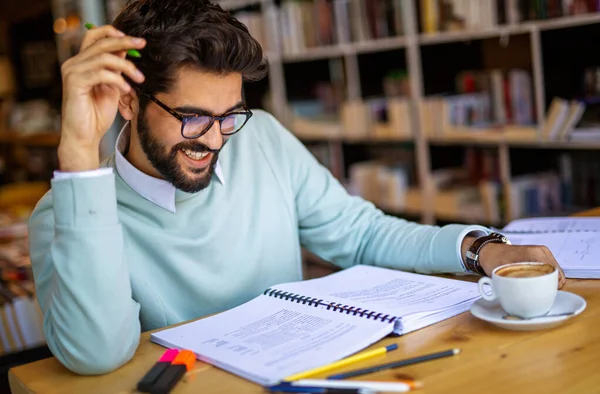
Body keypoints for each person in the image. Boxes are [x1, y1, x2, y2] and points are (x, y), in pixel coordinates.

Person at [28, 0, 565, 376]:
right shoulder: (69, 213)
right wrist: (78, 159)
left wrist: (480, 248)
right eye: (192, 117)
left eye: (229, 115)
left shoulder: (259, 138)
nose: (214, 141)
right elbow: (95, 356)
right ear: (127, 100)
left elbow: (358, 234)